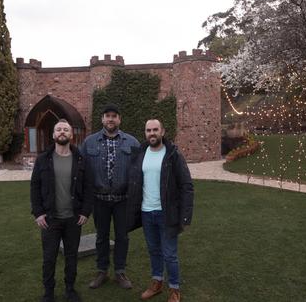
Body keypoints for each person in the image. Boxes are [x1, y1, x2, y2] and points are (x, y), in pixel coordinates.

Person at [127, 119, 194, 302]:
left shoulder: (172, 154)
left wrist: (185, 217)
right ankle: (157, 282)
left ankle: (174, 288)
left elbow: (186, 186)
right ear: (145, 133)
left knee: (169, 253)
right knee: (154, 250)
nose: (152, 133)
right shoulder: (140, 153)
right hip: (146, 213)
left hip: (167, 213)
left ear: (162, 132)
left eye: (155, 129)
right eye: (148, 130)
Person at [31, 119, 93, 302]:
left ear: (71, 134)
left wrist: (85, 211)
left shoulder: (80, 158)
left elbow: (88, 187)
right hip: (50, 219)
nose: (62, 132)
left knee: (71, 257)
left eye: (66, 129)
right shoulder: (43, 159)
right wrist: (38, 212)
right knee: (49, 258)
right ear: (53, 134)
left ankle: (70, 289)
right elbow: (35, 186)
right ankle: (48, 292)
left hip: (73, 218)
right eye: (58, 129)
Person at [81, 104, 140, 289]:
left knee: (122, 237)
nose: (111, 119)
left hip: (124, 200)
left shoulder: (132, 142)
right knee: (101, 237)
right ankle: (102, 271)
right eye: (107, 116)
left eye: (114, 116)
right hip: (100, 200)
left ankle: (120, 272)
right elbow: (81, 172)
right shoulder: (89, 142)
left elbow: (139, 172)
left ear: (119, 119)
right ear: (102, 119)